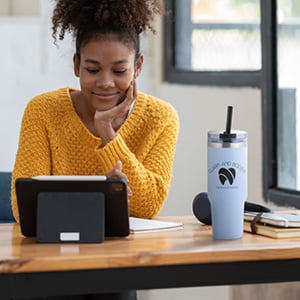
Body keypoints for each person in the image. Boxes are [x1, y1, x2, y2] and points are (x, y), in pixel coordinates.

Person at [11, 0, 179, 299]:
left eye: (119, 70)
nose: (105, 83)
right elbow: (24, 208)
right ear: (76, 65)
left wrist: (107, 134)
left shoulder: (160, 118)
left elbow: (148, 206)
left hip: (115, 265)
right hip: (47, 262)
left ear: (138, 66)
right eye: (92, 69)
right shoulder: (43, 110)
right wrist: (109, 199)